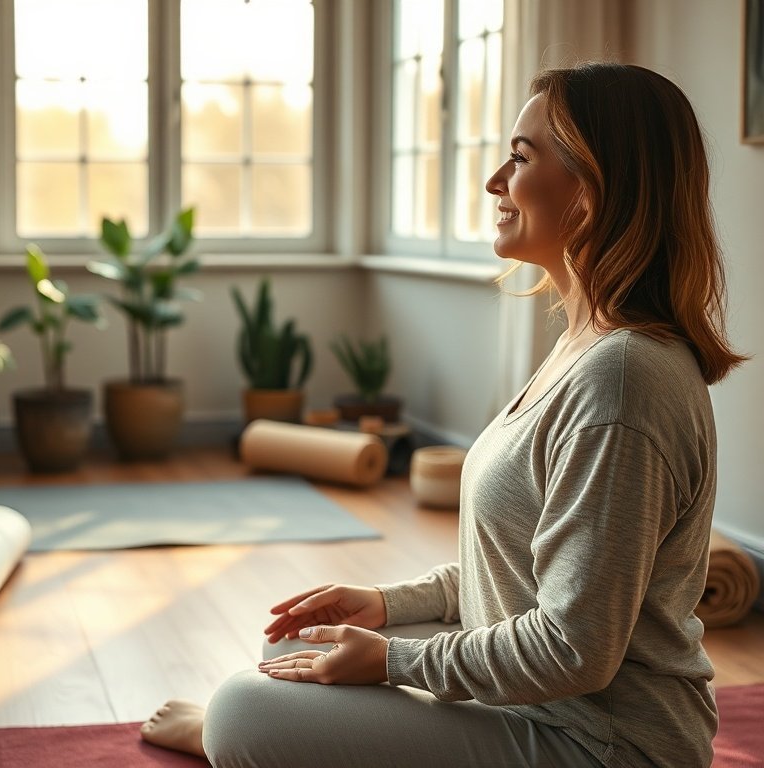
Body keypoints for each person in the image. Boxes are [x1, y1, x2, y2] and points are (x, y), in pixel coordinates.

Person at [140, 62, 746, 768]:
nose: (495, 181)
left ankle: (228, 735)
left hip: (601, 745)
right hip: (543, 704)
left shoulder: (622, 380)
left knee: (245, 710)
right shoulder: (586, 349)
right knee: (297, 645)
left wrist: (393, 661)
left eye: (520, 158)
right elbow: (519, 569)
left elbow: (575, 649)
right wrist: (385, 605)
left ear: (593, 187)